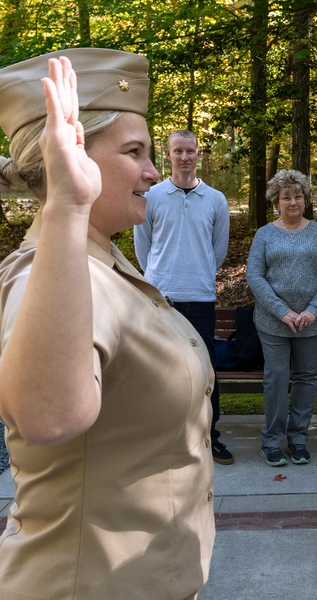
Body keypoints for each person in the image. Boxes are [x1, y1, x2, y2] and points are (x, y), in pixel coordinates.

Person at [0, 49, 215, 599]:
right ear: (70, 157)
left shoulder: (105, 259)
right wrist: (66, 205)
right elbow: (49, 416)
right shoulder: (47, 273)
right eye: (135, 152)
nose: (154, 171)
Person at [134, 130, 233, 464]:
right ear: (168, 154)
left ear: (198, 154)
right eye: (178, 151)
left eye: (190, 151)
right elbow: (143, 249)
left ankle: (209, 436)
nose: (185, 157)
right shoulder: (152, 196)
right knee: (162, 371)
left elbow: (217, 251)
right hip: (161, 299)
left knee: (204, 371)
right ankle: (164, 439)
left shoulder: (216, 200)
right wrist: (161, 279)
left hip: (201, 298)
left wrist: (198, 272)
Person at [246, 169, 317, 466]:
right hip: (273, 323)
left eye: (298, 196)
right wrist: (283, 311)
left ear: (306, 199)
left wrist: (312, 309)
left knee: (306, 379)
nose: (293, 202)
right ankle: (271, 441)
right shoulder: (264, 234)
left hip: (311, 322)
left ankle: (298, 439)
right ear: (276, 201)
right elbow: (255, 277)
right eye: (286, 197)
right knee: (276, 379)